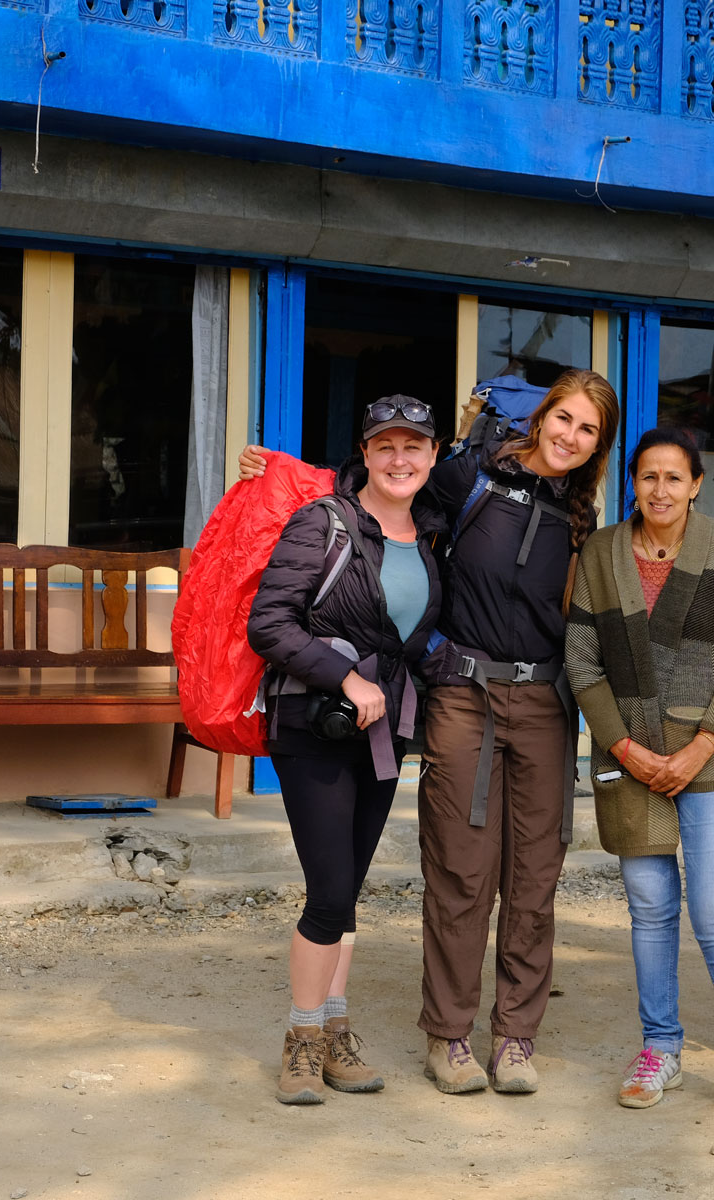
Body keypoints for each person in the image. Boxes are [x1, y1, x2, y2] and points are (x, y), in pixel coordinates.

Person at [240, 368, 618, 1097]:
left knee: (535, 878)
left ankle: (515, 1037)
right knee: (460, 871)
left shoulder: (582, 512)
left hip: (543, 703)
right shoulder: (471, 475)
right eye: (563, 418)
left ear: (598, 445)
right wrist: (278, 473)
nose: (570, 436)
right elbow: (382, 490)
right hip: (461, 697)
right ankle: (448, 1036)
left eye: (588, 429)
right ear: (540, 419)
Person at [565, 426, 714, 1125]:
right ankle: (660, 1046)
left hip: (710, 757)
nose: (659, 489)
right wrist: (626, 748)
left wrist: (697, 747)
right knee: (651, 911)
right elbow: (581, 661)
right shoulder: (600, 552)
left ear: (695, 484)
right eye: (647, 476)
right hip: (628, 754)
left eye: (673, 478)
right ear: (634, 482)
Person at [246, 397, 446, 1105]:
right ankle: (301, 1040)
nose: (400, 460)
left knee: (348, 891)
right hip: (316, 728)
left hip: (382, 734)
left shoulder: (427, 537)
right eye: (385, 446)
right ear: (364, 454)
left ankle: (334, 1028)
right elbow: (268, 622)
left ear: (432, 455)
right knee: (329, 891)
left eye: (414, 447)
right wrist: (346, 676)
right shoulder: (323, 523)